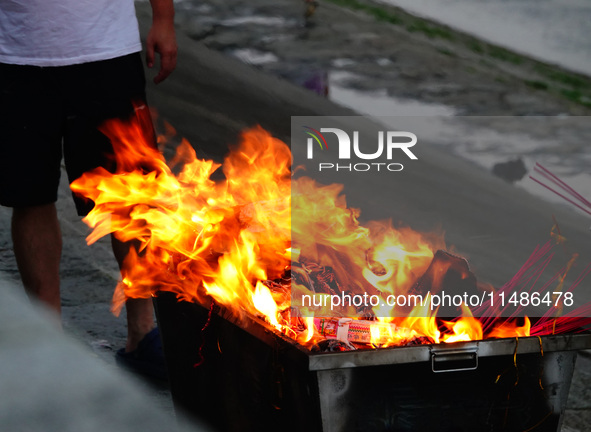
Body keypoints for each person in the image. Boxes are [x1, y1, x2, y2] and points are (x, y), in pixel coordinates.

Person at [0, 0, 177, 379]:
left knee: (129, 197)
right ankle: (48, 338)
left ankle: (142, 333)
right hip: (14, 54)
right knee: (30, 197)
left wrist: (163, 18)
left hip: (108, 51)